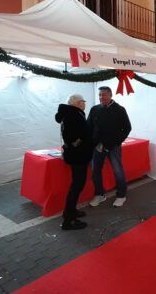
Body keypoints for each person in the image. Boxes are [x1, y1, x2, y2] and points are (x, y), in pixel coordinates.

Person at [87, 86, 132, 208]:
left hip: (113, 147)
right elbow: (89, 127)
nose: (101, 97)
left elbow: (127, 128)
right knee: (95, 171)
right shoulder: (94, 109)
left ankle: (121, 195)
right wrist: (91, 142)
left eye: (104, 95)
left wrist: (117, 142)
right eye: (100, 95)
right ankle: (99, 194)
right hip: (97, 146)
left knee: (118, 171)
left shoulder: (119, 110)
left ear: (110, 95)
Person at [55, 94, 92, 230]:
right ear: (77, 103)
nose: (84, 104)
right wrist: (83, 144)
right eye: (83, 101)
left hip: (76, 155)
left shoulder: (71, 114)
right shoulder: (73, 115)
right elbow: (73, 137)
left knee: (76, 186)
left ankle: (71, 212)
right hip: (78, 156)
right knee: (76, 187)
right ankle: (68, 220)